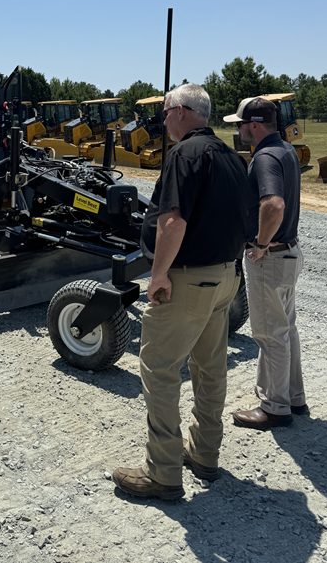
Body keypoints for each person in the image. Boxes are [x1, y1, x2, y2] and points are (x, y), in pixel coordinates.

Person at [112, 83, 252, 501]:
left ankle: (163, 473)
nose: (163, 121)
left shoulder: (185, 155)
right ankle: (204, 454)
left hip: (189, 279)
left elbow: (172, 221)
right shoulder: (230, 157)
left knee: (159, 368)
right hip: (225, 277)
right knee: (211, 369)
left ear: (181, 112)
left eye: (165, 112)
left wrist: (158, 275)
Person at [224, 97, 306, 430]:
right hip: (289, 253)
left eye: (240, 124)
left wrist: (259, 243)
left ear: (254, 125)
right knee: (286, 328)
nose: (238, 130)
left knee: (270, 334)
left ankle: (274, 408)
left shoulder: (264, 158)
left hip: (270, 258)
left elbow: (273, 204)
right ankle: (293, 397)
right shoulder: (285, 150)